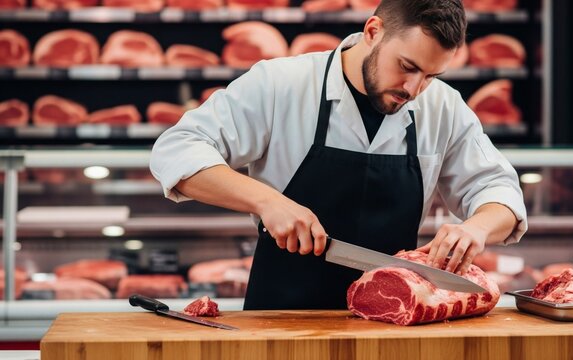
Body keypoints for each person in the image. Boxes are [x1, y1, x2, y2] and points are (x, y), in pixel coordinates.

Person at [150, 0, 528, 310]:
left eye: (431, 75)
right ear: (373, 31)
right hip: (282, 318)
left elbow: (498, 190)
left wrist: (474, 228)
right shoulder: (282, 84)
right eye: (407, 67)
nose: (414, 88)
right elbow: (177, 149)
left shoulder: (442, 107)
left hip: (393, 314)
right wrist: (267, 201)